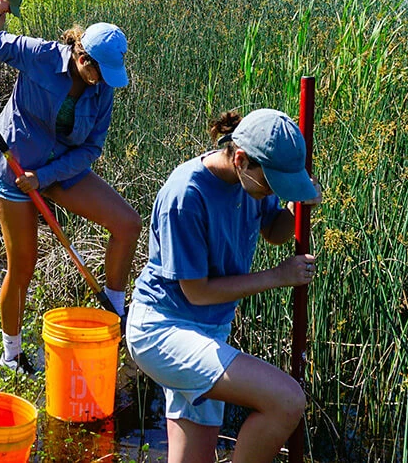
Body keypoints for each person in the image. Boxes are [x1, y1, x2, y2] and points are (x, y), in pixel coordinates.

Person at [126, 109, 322, 463]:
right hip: (162, 329)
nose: (273, 192)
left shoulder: (250, 182)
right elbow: (196, 292)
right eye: (272, 183)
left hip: (209, 330)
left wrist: (297, 207)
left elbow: (273, 232)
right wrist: (277, 277)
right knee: (286, 400)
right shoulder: (186, 195)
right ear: (242, 159)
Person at [0, 23, 142, 376]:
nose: (100, 80)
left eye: (107, 75)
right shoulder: (41, 55)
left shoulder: (103, 88)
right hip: (15, 166)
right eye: (96, 71)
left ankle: (114, 315)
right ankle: (11, 355)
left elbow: (92, 147)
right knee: (23, 266)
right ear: (80, 56)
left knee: (128, 223)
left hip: (58, 170)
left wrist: (44, 178)